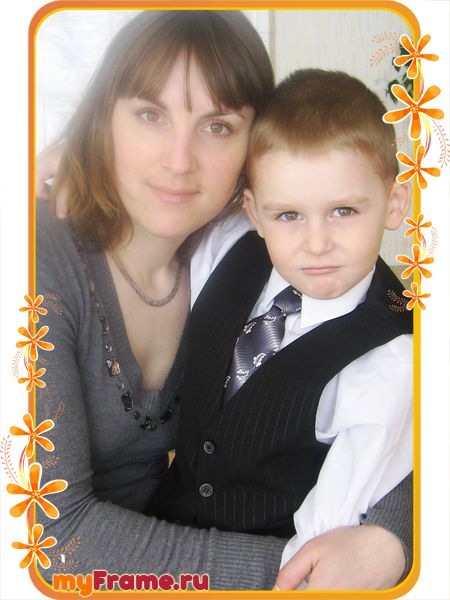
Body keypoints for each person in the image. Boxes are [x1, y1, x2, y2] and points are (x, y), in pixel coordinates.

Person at [34, 10, 412, 590]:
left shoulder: (242, 240)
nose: (179, 161)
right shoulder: (36, 260)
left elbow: (396, 397)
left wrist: (392, 535)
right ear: (104, 118)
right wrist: (302, 575)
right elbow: (49, 540)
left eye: (217, 126)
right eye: (150, 114)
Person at [147, 68, 413, 590]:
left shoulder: (392, 356)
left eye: (343, 211)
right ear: (254, 212)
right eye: (289, 215)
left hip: (266, 570)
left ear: (394, 203)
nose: (316, 243)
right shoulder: (229, 249)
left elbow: (331, 538)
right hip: (158, 533)